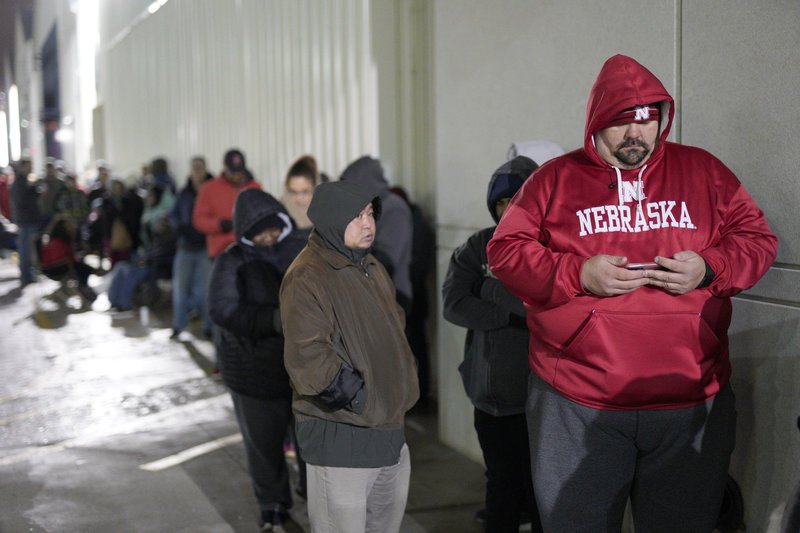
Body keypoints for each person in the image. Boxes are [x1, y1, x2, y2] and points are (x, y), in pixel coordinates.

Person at [486, 54, 778, 532]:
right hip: (577, 399)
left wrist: (710, 267)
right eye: (621, 122)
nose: (636, 134)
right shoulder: (553, 181)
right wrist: (577, 274)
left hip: (690, 395)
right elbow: (506, 251)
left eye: (646, 120)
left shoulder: (704, 172)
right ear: (596, 123)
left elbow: (757, 240)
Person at [280, 180, 420, 533]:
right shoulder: (308, 275)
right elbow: (310, 359)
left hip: (389, 432)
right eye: (356, 216)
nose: (368, 224)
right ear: (331, 219)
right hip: (342, 436)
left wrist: (401, 384)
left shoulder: (371, 266)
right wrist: (363, 398)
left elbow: (396, 330)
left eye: (370, 213)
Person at [442, 155, 543, 533]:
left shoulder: (551, 248)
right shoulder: (477, 247)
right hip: (491, 402)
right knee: (500, 486)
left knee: (540, 491)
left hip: (540, 401)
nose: (509, 210)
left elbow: (546, 309)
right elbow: (454, 304)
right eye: (502, 203)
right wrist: (509, 314)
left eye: (518, 201)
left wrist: (488, 290)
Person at [207, 188, 307, 531]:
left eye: (273, 228)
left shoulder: (303, 249)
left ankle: (312, 490)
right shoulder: (232, 260)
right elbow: (223, 309)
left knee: (311, 439)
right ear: (244, 235)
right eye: (258, 233)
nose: (268, 237)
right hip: (253, 371)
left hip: (303, 370)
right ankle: (273, 504)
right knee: (264, 445)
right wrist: (273, 319)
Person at [339, 156, 413, 314]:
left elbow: (387, 260)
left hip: (392, 292)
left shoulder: (394, 208)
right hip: (369, 290)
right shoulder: (360, 208)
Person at [390, 185, 435, 405]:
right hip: (416, 294)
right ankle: (419, 396)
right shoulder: (418, 224)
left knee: (412, 347)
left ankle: (417, 396)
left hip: (411, 295)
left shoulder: (412, 226)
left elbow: (414, 266)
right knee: (415, 347)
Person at [168, 156, 213, 339]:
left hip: (205, 247)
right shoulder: (184, 192)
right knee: (180, 289)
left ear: (205, 168)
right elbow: (174, 213)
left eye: (200, 167)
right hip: (185, 246)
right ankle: (179, 324)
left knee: (204, 291)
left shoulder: (212, 190)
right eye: (194, 167)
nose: (197, 170)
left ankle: (208, 325)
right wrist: (178, 226)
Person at [193, 148, 261, 260]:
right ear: (224, 167)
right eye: (232, 172)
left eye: (239, 172)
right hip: (221, 253)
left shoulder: (254, 187)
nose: (236, 176)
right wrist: (219, 225)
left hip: (250, 249)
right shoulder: (208, 189)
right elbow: (199, 220)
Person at [9, 157, 40, 286]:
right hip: (25, 220)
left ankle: (28, 274)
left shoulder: (23, 181)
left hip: (27, 220)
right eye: (28, 166)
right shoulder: (19, 183)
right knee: (25, 250)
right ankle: (25, 276)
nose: (30, 169)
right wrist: (34, 192)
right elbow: (24, 202)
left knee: (28, 249)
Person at [280, 154, 319, 238]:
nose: (298, 198)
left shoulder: (330, 214)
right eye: (293, 192)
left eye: (305, 192)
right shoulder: (280, 215)